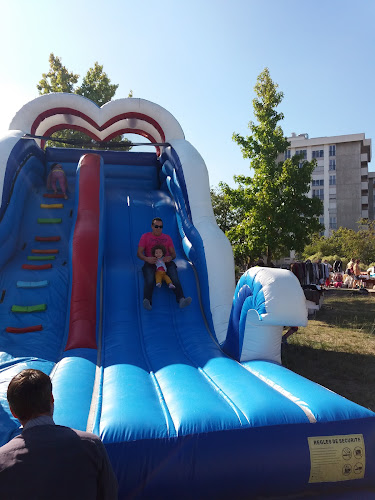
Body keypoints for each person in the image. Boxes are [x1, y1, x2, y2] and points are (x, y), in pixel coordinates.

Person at [0, 369, 118, 500]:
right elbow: (109, 494)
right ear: (51, 398)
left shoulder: (3, 460)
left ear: (13, 412)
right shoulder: (91, 445)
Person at [137, 217, 192, 310]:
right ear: (152, 226)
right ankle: (147, 301)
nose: (158, 229)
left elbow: (173, 254)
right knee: (149, 278)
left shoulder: (167, 238)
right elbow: (139, 253)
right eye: (156, 226)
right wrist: (147, 259)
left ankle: (181, 299)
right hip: (151, 262)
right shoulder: (145, 237)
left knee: (174, 276)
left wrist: (170, 257)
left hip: (165, 262)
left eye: (161, 227)